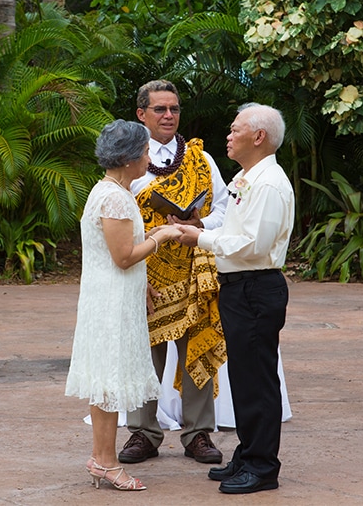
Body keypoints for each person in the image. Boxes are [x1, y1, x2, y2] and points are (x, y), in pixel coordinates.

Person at [177, 103, 295, 494]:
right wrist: (203, 225)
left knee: (258, 379)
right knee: (244, 378)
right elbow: (233, 223)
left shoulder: (268, 183)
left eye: (234, 129)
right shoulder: (247, 176)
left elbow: (252, 244)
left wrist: (201, 239)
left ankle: (263, 467)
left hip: (256, 286)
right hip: (239, 286)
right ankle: (248, 452)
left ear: (258, 136)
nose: (228, 136)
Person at [65, 119, 182, 492]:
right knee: (109, 383)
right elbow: (124, 256)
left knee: (106, 384)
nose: (150, 158)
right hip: (111, 302)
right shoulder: (114, 196)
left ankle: (102, 459)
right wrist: (161, 236)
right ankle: (107, 461)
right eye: (146, 152)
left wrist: (144, 278)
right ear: (130, 157)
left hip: (113, 296)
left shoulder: (113, 190)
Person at [119, 79, 229, 465]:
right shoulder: (130, 160)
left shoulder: (201, 159)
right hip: (145, 270)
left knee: (195, 349)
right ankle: (143, 434)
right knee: (144, 358)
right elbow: (118, 217)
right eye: (160, 109)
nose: (169, 115)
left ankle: (198, 434)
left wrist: (201, 223)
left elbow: (225, 210)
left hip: (194, 269)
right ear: (141, 114)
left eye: (174, 109)